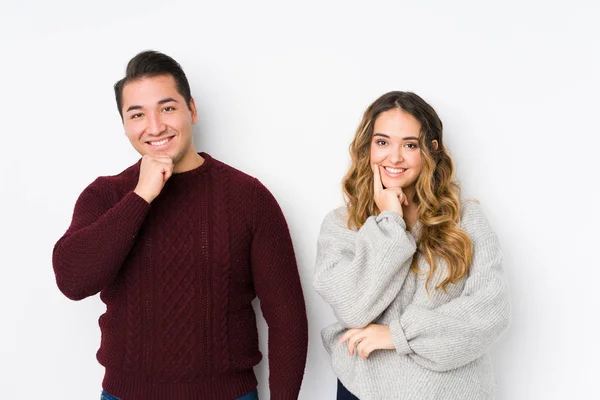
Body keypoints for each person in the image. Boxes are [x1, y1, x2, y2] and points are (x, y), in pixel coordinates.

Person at [52, 50, 308, 400]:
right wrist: (141, 196)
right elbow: (72, 280)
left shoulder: (248, 197)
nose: (155, 126)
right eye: (137, 114)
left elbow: (286, 316)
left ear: (193, 110)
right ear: (125, 125)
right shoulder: (107, 195)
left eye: (167, 108)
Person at [313, 91, 510, 399]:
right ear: (367, 148)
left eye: (410, 144)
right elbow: (353, 309)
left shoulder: (465, 219)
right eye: (382, 142)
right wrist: (390, 220)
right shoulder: (342, 226)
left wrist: (397, 335)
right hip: (365, 390)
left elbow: (490, 312)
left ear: (431, 150)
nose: (394, 157)